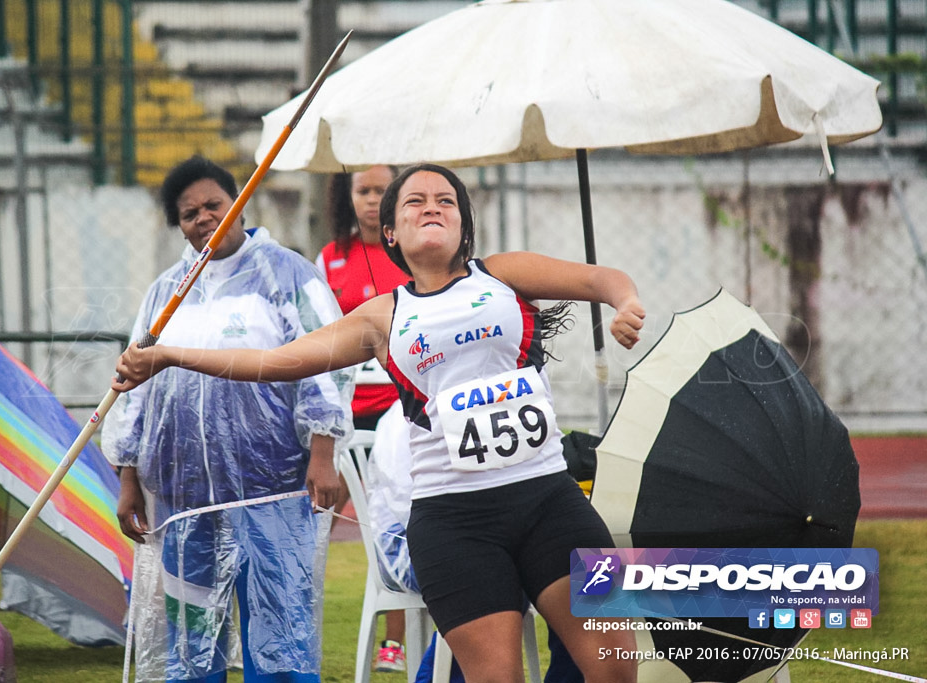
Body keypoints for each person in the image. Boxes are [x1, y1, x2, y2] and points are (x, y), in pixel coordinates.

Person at [113, 163, 645, 683]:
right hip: (456, 522)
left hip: (548, 499)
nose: (432, 207)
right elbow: (273, 362)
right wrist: (169, 356)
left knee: (617, 668)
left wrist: (625, 303)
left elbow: (601, 278)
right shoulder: (380, 317)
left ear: (463, 224)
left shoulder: (503, 274)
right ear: (391, 232)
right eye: (415, 201)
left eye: (445, 201)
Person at [101, 156, 353, 683]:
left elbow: (326, 362)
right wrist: (129, 481)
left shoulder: (287, 275)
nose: (204, 218)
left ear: (238, 203)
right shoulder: (164, 295)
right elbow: (133, 394)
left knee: (279, 640)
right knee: (192, 650)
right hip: (182, 496)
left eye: (215, 204)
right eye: (189, 213)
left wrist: (324, 453)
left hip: (273, 492)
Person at [315, 165, 413, 673]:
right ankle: (296, 620)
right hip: (344, 414)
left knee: (395, 519)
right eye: (364, 191)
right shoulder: (330, 259)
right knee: (316, 519)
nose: (373, 200)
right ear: (347, 197)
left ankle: (394, 640)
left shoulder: (413, 250)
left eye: (382, 190)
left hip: (402, 409)